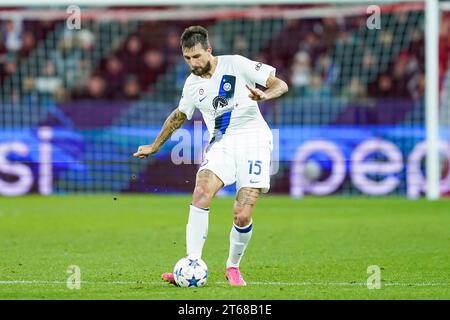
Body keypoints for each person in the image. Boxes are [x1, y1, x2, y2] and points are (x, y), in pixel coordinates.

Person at [133, 26, 288, 286]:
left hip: (255, 140)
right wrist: (155, 145)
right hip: (222, 143)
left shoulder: (236, 64)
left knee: (242, 214)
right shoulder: (192, 85)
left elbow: (280, 84)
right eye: (187, 58)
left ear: (209, 50)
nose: (192, 63)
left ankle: (233, 266)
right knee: (201, 192)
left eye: (196, 56)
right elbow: (179, 115)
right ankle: (191, 265)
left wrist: (264, 94)